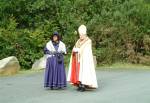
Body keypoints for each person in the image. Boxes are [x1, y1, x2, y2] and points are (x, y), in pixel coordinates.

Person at [67, 25, 98, 92]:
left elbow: (87, 50)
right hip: (78, 60)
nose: (80, 36)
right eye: (80, 35)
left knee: (83, 72)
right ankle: (79, 84)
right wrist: (74, 50)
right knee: (78, 72)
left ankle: (84, 85)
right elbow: (75, 47)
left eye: (81, 35)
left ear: (85, 34)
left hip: (85, 60)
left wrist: (78, 50)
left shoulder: (88, 41)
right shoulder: (78, 41)